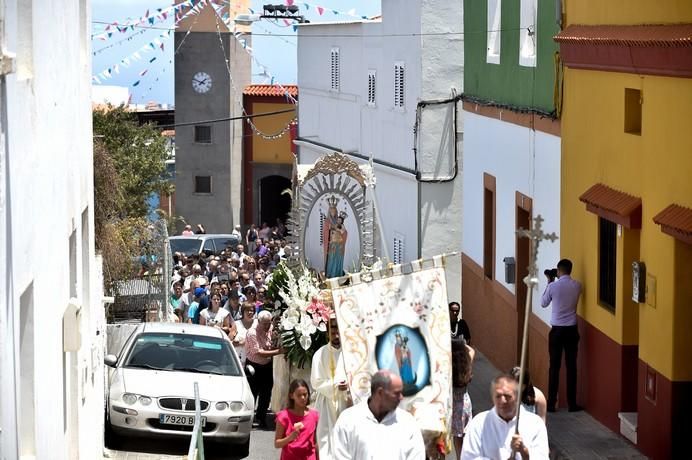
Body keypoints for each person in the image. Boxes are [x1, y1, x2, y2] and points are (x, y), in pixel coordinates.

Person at [332, 370, 425, 460]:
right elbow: (340, 455)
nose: (401, 398)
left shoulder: (408, 423)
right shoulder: (348, 420)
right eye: (396, 393)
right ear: (380, 393)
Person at [461, 374, 549, 460]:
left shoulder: (535, 424)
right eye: (498, 396)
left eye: (508, 396)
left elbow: (542, 456)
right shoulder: (479, 423)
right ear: (492, 397)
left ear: (517, 397)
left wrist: (524, 453)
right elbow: (468, 457)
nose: (503, 401)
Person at [541, 258, 582, 412]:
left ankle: (551, 403)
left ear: (558, 271)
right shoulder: (577, 285)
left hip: (557, 330)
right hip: (572, 329)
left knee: (554, 367)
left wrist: (549, 282)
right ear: (570, 270)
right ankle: (572, 404)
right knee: (572, 367)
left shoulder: (553, 286)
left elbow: (543, 303)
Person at [310, 315, 351, 459]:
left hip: (347, 402)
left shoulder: (351, 353)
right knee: (326, 441)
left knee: (347, 441)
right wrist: (335, 385)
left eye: (338, 331)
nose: (336, 335)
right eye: (333, 331)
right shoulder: (320, 354)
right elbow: (316, 382)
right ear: (328, 332)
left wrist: (349, 386)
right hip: (326, 404)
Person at [245, 310, 283, 429]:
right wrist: (278, 352)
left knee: (266, 393)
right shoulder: (252, 333)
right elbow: (259, 352)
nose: (267, 326)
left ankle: (262, 417)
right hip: (254, 366)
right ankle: (249, 418)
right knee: (252, 392)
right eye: (265, 324)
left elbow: (271, 341)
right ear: (259, 322)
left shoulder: (270, 328)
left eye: (269, 323)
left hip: (266, 365)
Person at [275, 379, 320, 460]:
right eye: (299, 395)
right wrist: (290, 438)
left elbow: (315, 442)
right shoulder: (284, 416)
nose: (303, 398)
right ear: (291, 396)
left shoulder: (314, 415)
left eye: (305, 394)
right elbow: (277, 444)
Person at [451, 338, 475, 459]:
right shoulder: (467, 364)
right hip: (465, 402)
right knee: (466, 435)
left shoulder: (450, 367)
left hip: (454, 404)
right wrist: (463, 345)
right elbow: (471, 350)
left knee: (457, 437)